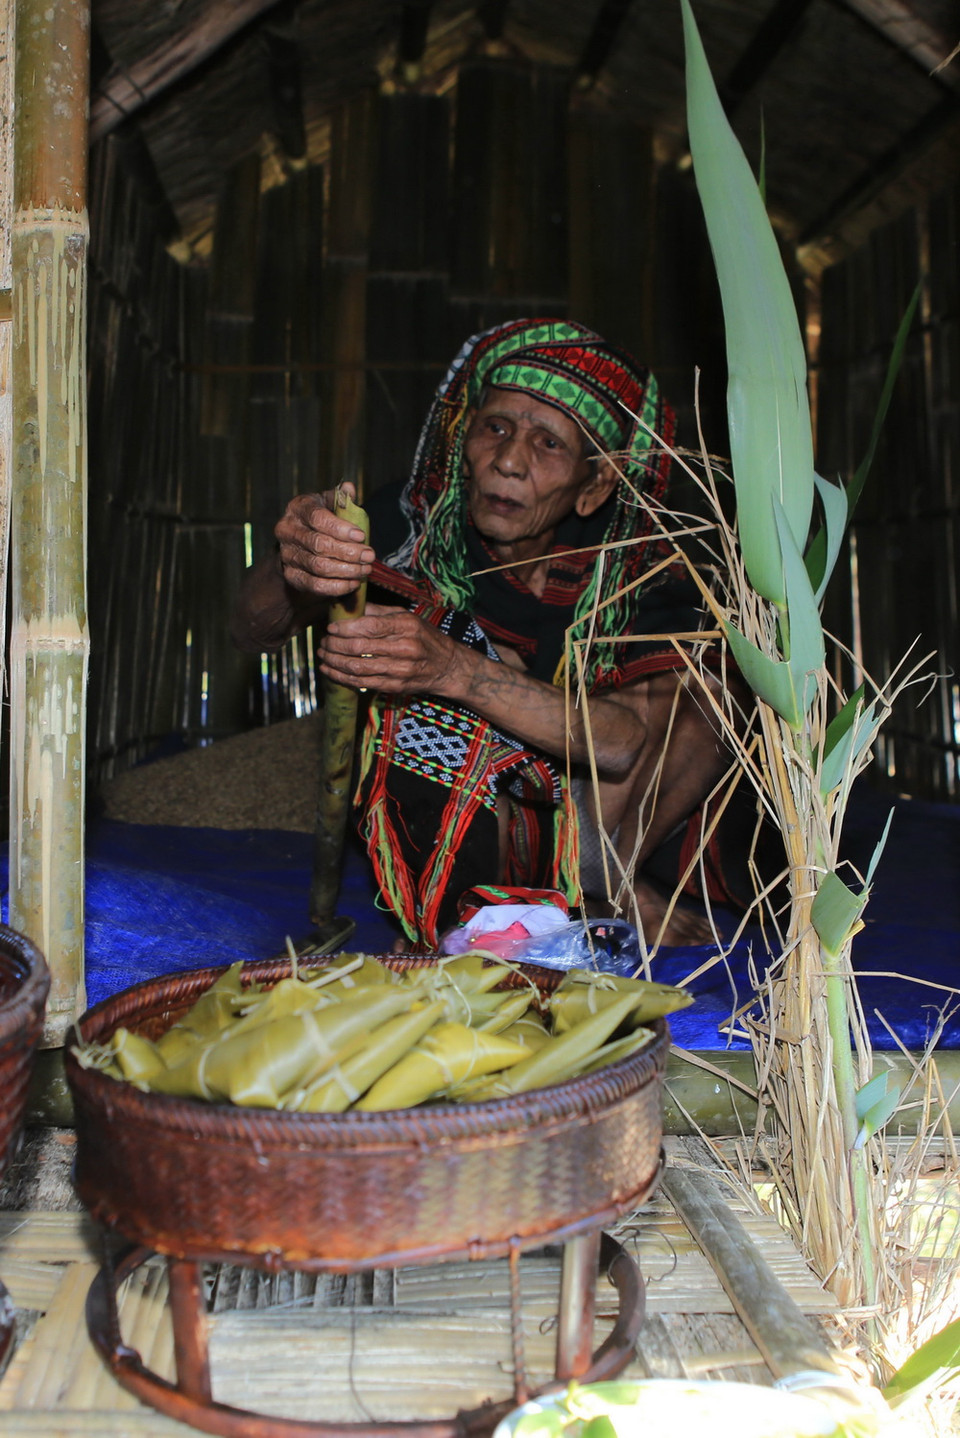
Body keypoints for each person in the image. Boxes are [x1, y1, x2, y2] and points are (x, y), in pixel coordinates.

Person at [232, 318, 744, 950]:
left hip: (601, 814)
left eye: (548, 444)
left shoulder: (632, 559)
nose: (507, 461)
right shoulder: (415, 519)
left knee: (711, 692)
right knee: (420, 698)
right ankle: (467, 909)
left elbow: (622, 745)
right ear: (464, 436)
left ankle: (601, 880)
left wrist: (461, 669)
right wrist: (295, 565)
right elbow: (253, 630)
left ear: (595, 487)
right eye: (495, 428)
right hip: (470, 810)